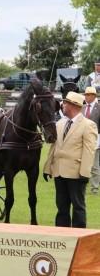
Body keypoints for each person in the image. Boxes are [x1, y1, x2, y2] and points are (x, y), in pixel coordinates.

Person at [43, 91, 98, 228]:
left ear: (73, 105)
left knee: (78, 207)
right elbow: (54, 148)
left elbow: (89, 151)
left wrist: (84, 173)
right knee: (61, 207)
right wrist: (47, 168)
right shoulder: (60, 123)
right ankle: (62, 237)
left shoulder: (88, 125)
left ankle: (80, 238)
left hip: (76, 174)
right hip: (59, 172)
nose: (62, 105)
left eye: (65, 103)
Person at [82, 86, 100, 194]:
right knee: (83, 165)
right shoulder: (82, 108)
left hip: (96, 140)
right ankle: (82, 186)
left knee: (95, 166)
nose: (86, 97)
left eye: (88, 95)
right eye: (85, 95)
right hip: (82, 140)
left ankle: (94, 188)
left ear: (93, 96)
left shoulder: (99, 108)